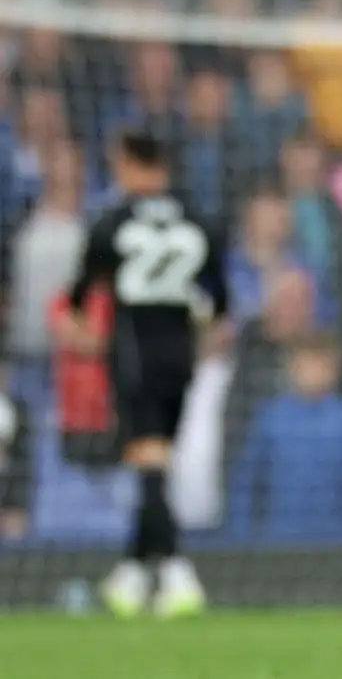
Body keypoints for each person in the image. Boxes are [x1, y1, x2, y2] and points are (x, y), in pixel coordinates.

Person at [66, 129, 230, 618]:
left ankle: (177, 571)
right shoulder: (200, 221)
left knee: (148, 461)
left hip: (133, 349)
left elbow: (79, 296)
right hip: (180, 352)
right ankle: (133, 576)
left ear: (134, 165)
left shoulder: (112, 221)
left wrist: (87, 334)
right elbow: (220, 302)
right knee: (156, 464)